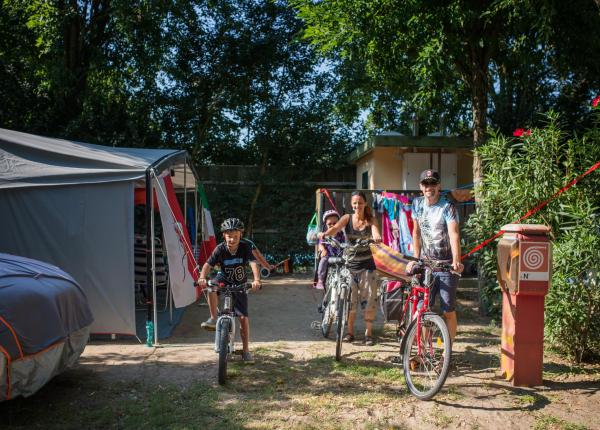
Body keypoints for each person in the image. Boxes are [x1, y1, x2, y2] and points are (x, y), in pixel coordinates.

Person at [406, 169, 464, 344]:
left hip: (446, 264)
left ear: (439, 186)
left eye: (432, 183)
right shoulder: (416, 204)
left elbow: (454, 234)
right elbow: (416, 233)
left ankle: (448, 350)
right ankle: (422, 350)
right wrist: (415, 260)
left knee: (448, 310)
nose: (429, 187)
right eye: (426, 183)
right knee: (424, 308)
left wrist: (456, 260)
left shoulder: (448, 206)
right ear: (421, 187)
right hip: (426, 264)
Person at [317, 191, 382, 345]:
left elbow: (375, 231)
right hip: (349, 265)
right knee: (349, 300)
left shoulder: (371, 219)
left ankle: (368, 333)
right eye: (354, 203)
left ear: (365, 203)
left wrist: (377, 237)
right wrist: (325, 234)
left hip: (367, 266)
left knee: (369, 299)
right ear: (351, 205)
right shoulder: (347, 218)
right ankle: (350, 332)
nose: (357, 205)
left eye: (360, 202)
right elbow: (336, 228)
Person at [197, 217, 261, 362]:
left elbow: (253, 263)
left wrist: (256, 280)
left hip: (240, 284)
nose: (232, 239)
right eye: (229, 236)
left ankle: (245, 351)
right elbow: (208, 264)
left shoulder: (245, 247)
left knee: (243, 319)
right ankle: (213, 317)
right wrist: (202, 277)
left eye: (235, 236)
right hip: (224, 279)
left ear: (241, 235)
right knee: (211, 287)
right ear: (224, 236)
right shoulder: (220, 248)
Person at [315, 210, 345, 290]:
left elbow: (346, 243)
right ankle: (320, 279)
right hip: (328, 254)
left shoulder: (341, 234)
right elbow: (320, 244)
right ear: (325, 224)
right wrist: (323, 250)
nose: (332, 226)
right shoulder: (325, 234)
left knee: (348, 262)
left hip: (340, 254)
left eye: (335, 223)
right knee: (323, 261)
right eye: (329, 224)